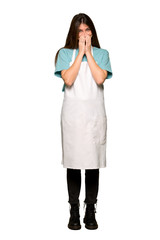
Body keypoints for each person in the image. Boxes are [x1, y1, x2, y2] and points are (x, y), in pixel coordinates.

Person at [54, 13, 113, 230]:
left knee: (92, 163)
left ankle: (90, 210)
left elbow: (99, 78)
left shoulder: (102, 53)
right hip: (72, 117)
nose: (85, 35)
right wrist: (80, 54)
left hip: (94, 116)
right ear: (74, 34)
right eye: (80, 31)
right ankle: (73, 210)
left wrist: (89, 52)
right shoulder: (64, 54)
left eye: (88, 30)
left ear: (93, 32)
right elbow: (68, 79)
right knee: (73, 163)